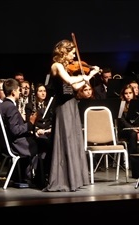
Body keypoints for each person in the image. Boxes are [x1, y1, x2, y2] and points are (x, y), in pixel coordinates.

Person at [43, 39, 100, 192]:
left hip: (71, 105)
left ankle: (75, 178)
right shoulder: (57, 66)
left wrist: (91, 74)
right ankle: (63, 179)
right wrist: (86, 77)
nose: (74, 56)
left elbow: (74, 86)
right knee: (64, 140)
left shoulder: (66, 67)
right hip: (62, 107)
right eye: (72, 53)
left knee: (73, 140)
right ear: (64, 52)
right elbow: (69, 80)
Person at [0, 78, 40, 185]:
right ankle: (31, 178)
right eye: (18, 90)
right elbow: (15, 130)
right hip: (15, 144)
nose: (20, 92)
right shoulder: (11, 107)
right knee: (40, 144)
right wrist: (30, 123)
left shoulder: (2, 105)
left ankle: (20, 176)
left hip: (7, 142)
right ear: (13, 92)